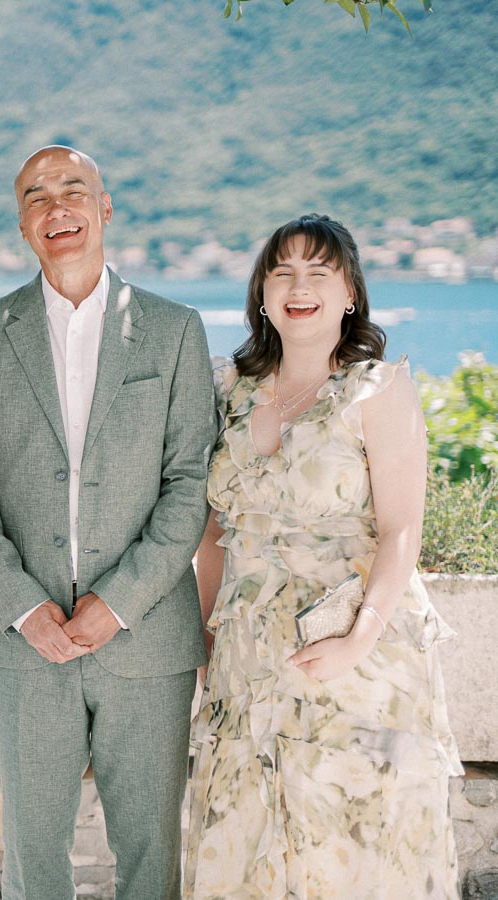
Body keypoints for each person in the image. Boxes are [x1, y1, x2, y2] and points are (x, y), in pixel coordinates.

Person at [0, 146, 216, 900]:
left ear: (105, 206)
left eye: (73, 190)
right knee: (32, 859)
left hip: (148, 636)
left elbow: (190, 484)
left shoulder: (175, 330)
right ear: (24, 224)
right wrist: (25, 607)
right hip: (23, 642)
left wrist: (118, 601)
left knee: (151, 856)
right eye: (36, 197)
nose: (56, 208)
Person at [186, 214, 461, 898]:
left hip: (353, 654)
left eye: (319, 272)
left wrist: (356, 640)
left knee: (350, 845)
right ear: (261, 292)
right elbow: (213, 531)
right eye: (282, 272)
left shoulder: (378, 389)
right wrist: (205, 638)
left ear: (350, 294)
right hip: (246, 662)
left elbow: (401, 530)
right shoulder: (227, 390)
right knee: (247, 837)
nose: (298, 286)